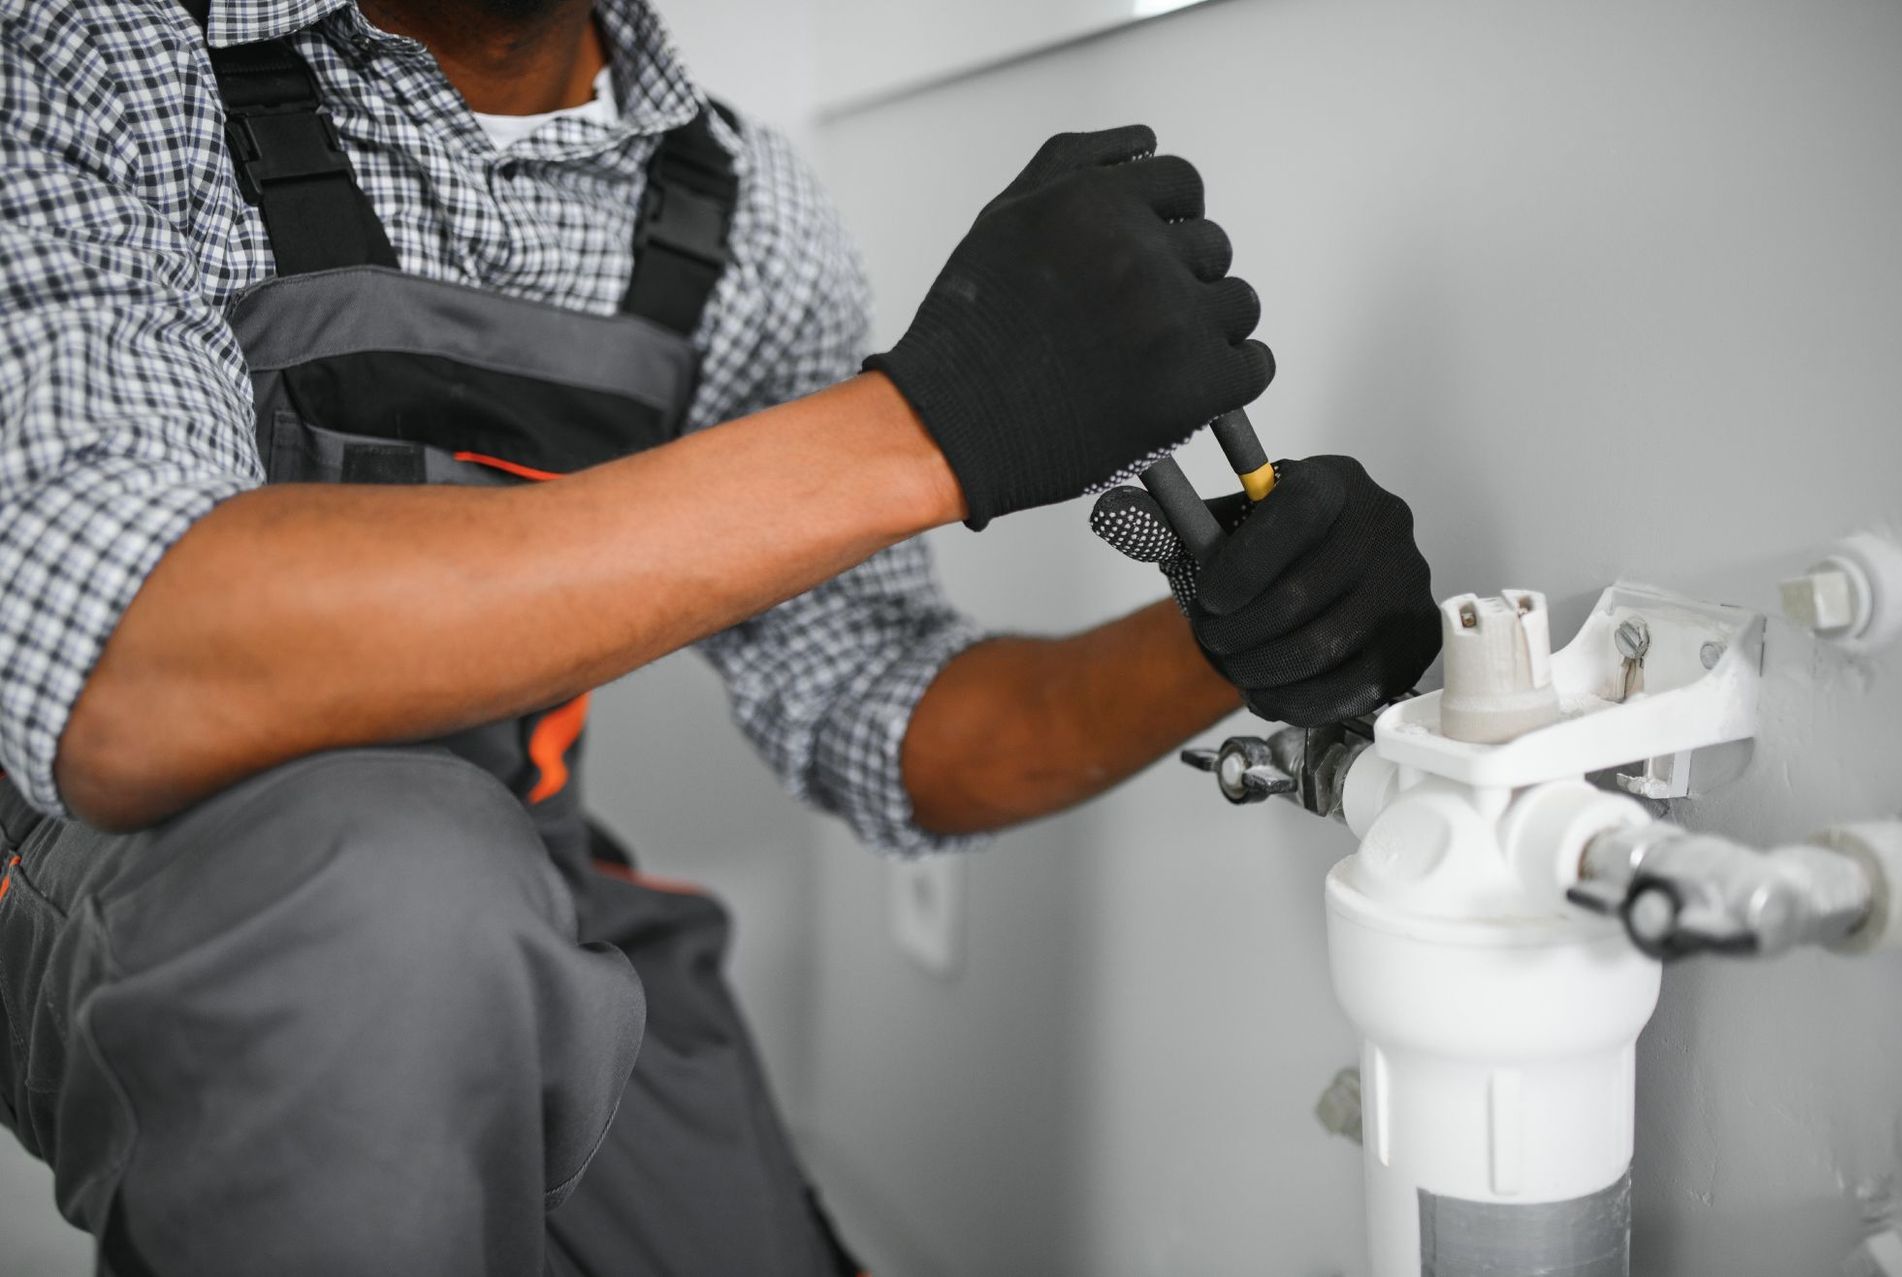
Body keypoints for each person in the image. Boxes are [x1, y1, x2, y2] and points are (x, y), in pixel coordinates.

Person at [0, 0, 1441, 1271]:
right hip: (109, 864)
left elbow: (883, 712)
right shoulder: (104, 55)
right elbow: (125, 661)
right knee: (391, 902)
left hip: (527, 875)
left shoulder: (739, 210)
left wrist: (1232, 642)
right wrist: (937, 423)